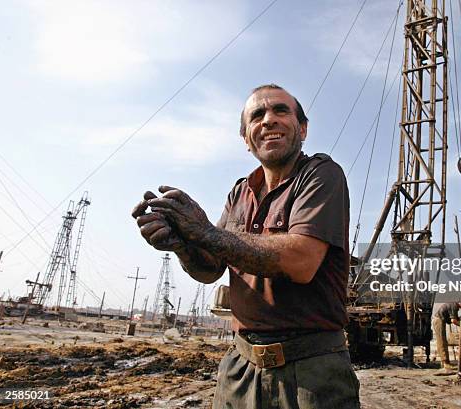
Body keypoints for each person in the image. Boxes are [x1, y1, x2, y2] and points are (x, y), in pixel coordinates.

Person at [132, 84, 359, 409]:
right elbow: (210, 268)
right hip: (239, 366)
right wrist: (182, 244)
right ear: (246, 139)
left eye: (281, 111)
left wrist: (204, 232)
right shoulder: (239, 194)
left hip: (310, 372)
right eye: (257, 115)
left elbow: (301, 261)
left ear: (303, 128)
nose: (268, 120)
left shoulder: (321, 176)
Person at [432, 298, 461, 369]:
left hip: (440, 320)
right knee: (442, 341)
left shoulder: (455, 306)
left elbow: (455, 318)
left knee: (443, 341)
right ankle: (445, 363)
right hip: (438, 320)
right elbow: (453, 321)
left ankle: (445, 362)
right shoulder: (454, 306)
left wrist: (459, 320)